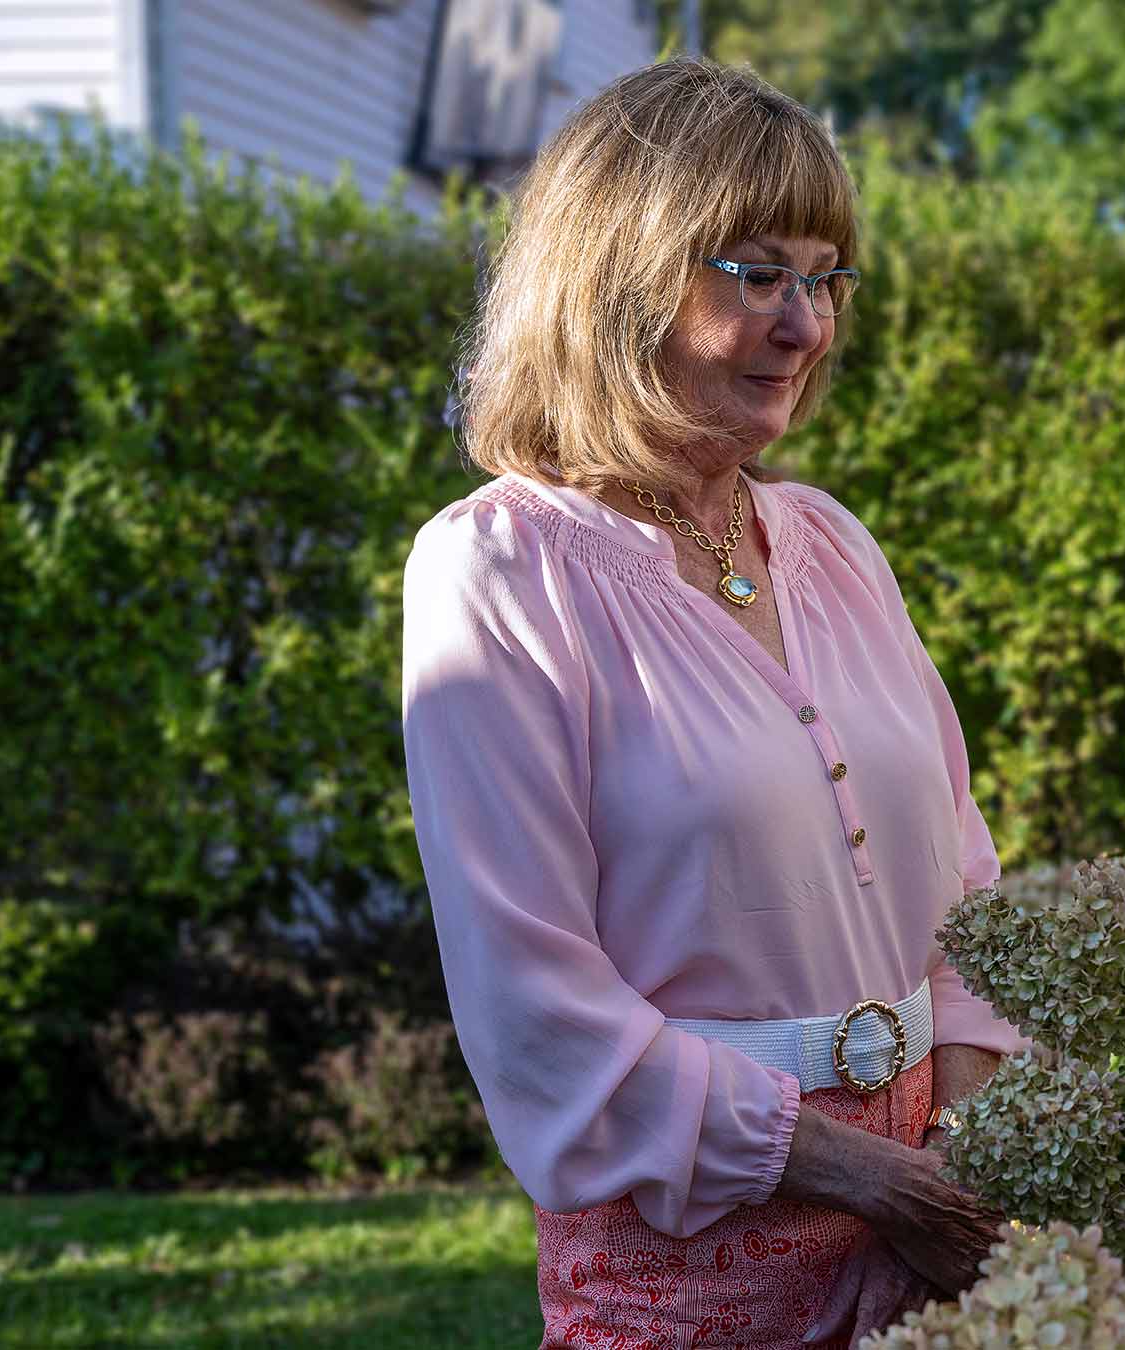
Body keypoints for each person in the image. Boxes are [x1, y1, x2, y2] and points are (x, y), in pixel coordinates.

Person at [400, 59, 1025, 1348]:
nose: (808, 325)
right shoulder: (500, 570)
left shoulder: (833, 543)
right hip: (689, 1261)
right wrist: (861, 1172)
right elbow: (534, 1003)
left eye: (826, 276)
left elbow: (964, 869)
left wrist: (960, 1140)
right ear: (619, 281)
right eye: (755, 272)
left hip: (936, 1236)